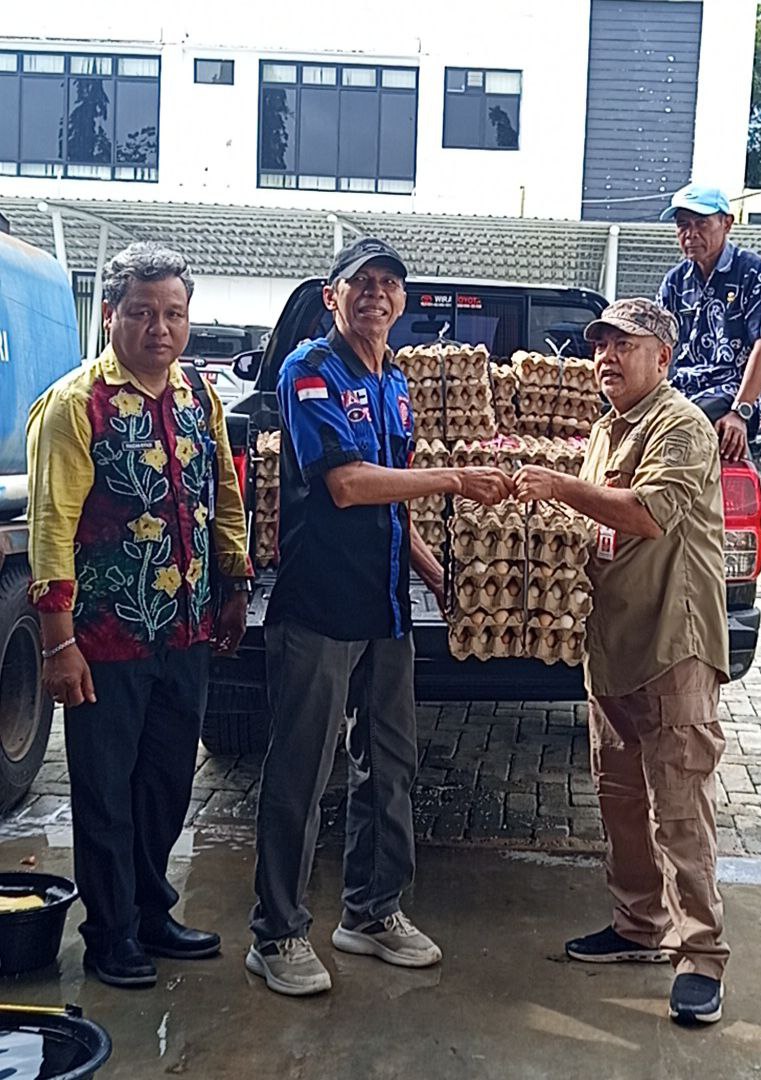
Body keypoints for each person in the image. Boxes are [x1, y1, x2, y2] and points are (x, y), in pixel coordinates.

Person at [247, 237, 513, 997]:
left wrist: (435, 570)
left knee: (390, 762)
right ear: (332, 297)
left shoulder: (395, 382)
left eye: (389, 284)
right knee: (303, 767)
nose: (376, 294)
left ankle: (369, 911)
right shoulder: (309, 370)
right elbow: (347, 485)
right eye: (359, 282)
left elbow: (393, 507)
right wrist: (456, 476)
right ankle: (276, 933)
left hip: (388, 605)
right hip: (322, 607)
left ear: (403, 302)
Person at [26, 241, 252, 988]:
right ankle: (110, 933)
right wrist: (59, 645)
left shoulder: (198, 396)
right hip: (105, 638)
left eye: (173, 313)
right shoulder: (76, 405)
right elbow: (52, 529)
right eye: (142, 313)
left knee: (165, 785)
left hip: (184, 631)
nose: (160, 327)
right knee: (104, 791)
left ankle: (153, 910)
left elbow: (222, 491)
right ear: (112, 315)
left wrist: (234, 579)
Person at [514, 297, 730, 1025]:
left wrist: (558, 486)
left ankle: (700, 953)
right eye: (599, 345)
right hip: (614, 643)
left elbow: (641, 513)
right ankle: (638, 925)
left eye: (623, 345)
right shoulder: (608, 426)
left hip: (673, 642)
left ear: (661, 357)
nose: (605, 357)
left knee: (679, 805)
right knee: (620, 799)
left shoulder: (680, 425)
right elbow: (597, 524)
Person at [656, 182, 761, 462]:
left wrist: (741, 412)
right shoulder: (675, 281)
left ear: (727, 223)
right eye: (683, 225)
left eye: (701, 223)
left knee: (681, 425)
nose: (690, 234)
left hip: (733, 389)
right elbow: (658, 345)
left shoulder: (754, 272)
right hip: (684, 389)